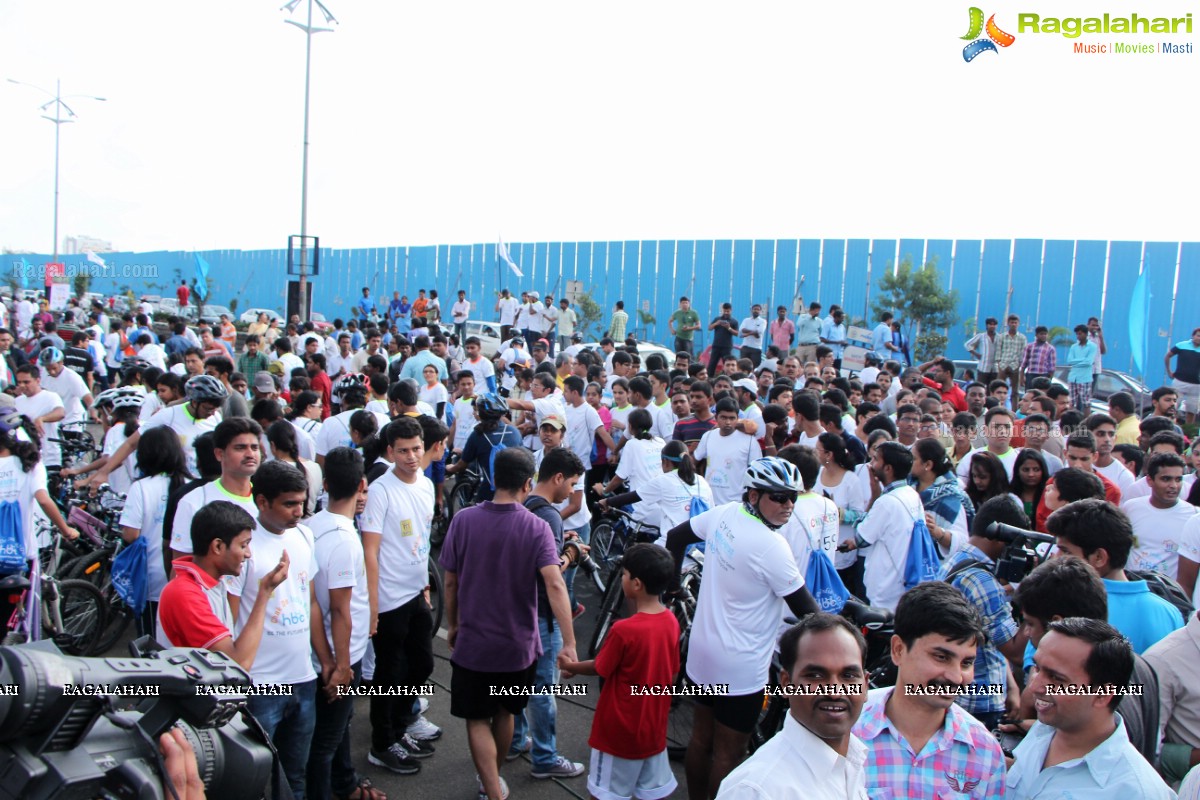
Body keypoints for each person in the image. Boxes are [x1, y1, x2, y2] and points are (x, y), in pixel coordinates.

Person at [665, 457, 822, 800]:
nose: (788, 505)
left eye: (793, 497)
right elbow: (810, 613)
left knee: (700, 739)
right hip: (740, 670)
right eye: (778, 497)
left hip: (702, 655)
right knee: (729, 753)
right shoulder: (771, 546)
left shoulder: (724, 514)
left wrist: (673, 588)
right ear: (753, 496)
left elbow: (675, 538)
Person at [439, 447, 578, 800]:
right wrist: (570, 643)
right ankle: (493, 780)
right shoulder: (537, 526)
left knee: (476, 718)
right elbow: (555, 583)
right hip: (519, 647)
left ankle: (491, 788)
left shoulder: (464, 520)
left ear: (493, 477)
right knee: (506, 711)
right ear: (527, 483)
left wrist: (452, 625)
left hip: (474, 645)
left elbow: (450, 582)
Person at [854, 582, 1006, 797]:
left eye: (966, 663)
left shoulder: (984, 752)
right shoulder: (847, 730)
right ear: (898, 650)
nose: (955, 677)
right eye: (941, 657)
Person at [558, 543, 680, 800]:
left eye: (624, 575)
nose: (622, 578)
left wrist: (570, 666)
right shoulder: (671, 621)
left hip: (619, 732)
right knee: (651, 792)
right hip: (653, 727)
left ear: (636, 584)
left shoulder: (624, 630)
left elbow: (600, 666)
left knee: (605, 794)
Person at [1005, 617, 1175, 799]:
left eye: (1056, 678)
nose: (1034, 687)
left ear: (1103, 694)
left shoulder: (1137, 792)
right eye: (1038, 669)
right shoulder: (1043, 731)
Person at [715, 613, 869, 800]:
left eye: (849, 675)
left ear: (866, 685)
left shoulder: (853, 761)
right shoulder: (755, 790)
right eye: (816, 675)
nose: (834, 692)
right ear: (787, 684)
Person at [360, 417, 440, 775]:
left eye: (416, 449)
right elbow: (370, 552)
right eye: (403, 451)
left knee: (421, 664)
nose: (411, 456)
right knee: (388, 674)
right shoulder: (380, 490)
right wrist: (373, 607)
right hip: (389, 598)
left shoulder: (424, 483)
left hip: (415, 593)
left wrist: (424, 583)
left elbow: (421, 540)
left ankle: (401, 724)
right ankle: (382, 742)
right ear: (390, 452)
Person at [509, 446, 588, 779]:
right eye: (570, 483)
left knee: (517, 685)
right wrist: (571, 553)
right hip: (543, 614)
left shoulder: (522, 502)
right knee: (542, 688)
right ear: (557, 477)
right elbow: (552, 574)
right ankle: (545, 757)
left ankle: (515, 740)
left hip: (518, 610)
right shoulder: (550, 515)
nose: (571, 491)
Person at [156, 500, 289, 670]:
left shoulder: (210, 584)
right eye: (243, 545)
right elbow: (237, 664)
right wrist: (264, 593)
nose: (248, 554)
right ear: (217, 546)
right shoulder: (185, 594)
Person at [1050, 497, 1184, 653]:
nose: (1056, 557)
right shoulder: (1169, 613)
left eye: (1066, 551)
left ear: (1099, 557)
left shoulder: (1062, 600)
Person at [118, 426, 191, 636]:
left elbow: (130, 535)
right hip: (184, 577)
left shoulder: (141, 487)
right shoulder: (191, 484)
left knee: (151, 639)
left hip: (152, 579)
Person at [847, 442, 926, 612]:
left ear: (888, 468)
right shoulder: (911, 493)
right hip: (902, 584)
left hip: (886, 590)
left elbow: (861, 538)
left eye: (875, 459)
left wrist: (874, 496)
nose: (871, 465)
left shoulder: (887, 502)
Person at [168, 417, 261, 560]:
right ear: (219, 454)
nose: (250, 454)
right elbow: (181, 566)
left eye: (254, 448)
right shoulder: (194, 501)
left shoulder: (267, 500)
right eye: (240, 448)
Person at [1124, 452, 1200, 597]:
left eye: (1178, 479)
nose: (1173, 486)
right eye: (1166, 479)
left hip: (1171, 598)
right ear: (1149, 481)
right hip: (1133, 591)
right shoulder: (1131, 508)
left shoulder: (1194, 517)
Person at [695, 398, 762, 506]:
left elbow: (756, 473)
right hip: (710, 503)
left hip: (737, 504)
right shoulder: (708, 436)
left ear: (738, 418)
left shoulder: (750, 441)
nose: (728, 422)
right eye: (723, 417)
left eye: (732, 418)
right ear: (716, 417)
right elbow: (695, 460)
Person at [1166, 327, 1200, 425]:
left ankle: (1187, 432)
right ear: (1193, 336)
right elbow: (1168, 356)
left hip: (1196, 385)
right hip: (1179, 382)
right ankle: (1171, 426)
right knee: (1173, 407)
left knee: (1192, 410)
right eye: (1198, 336)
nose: (1199, 338)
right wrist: (1169, 371)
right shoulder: (1182, 345)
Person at [1019, 325, 1056, 393]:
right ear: (1036, 335)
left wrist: (1049, 379)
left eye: (1045, 334)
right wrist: (1022, 377)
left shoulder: (1050, 348)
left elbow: (1052, 367)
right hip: (1031, 374)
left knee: (1042, 394)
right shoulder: (1029, 346)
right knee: (1030, 393)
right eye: (1041, 334)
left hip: (1044, 375)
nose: (1043, 336)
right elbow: (1024, 363)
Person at [965, 317, 1000, 386]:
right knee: (980, 386)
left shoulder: (999, 337)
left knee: (993, 388)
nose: (992, 326)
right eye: (990, 324)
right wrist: (976, 354)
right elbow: (967, 345)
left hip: (995, 368)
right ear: (987, 325)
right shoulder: (981, 336)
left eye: (994, 324)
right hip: (983, 367)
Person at [707, 303, 737, 375]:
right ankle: (709, 379)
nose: (726, 313)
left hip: (727, 347)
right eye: (725, 311)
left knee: (727, 364)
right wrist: (716, 323)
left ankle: (728, 378)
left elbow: (736, 333)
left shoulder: (734, 321)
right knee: (712, 364)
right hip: (716, 345)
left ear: (731, 310)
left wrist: (728, 328)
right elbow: (709, 328)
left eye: (728, 311)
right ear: (722, 310)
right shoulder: (717, 319)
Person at [738, 304, 767, 368]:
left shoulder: (763, 321)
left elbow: (760, 331)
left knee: (754, 367)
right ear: (751, 310)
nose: (756, 311)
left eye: (758, 309)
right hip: (745, 347)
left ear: (760, 311)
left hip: (756, 348)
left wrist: (747, 334)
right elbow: (742, 329)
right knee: (742, 367)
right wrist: (754, 332)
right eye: (754, 309)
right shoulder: (746, 320)